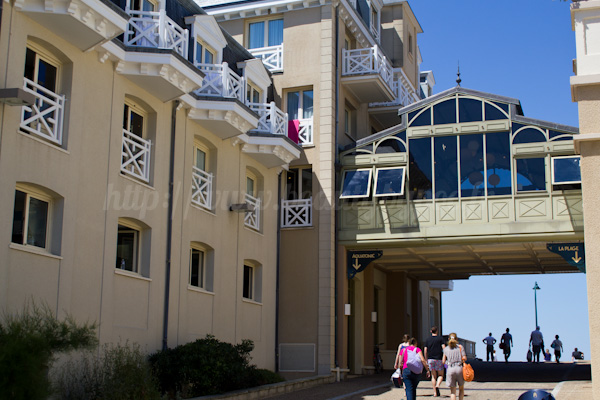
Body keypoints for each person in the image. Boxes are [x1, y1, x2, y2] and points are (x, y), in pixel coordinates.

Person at [442, 332, 467, 400]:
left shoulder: (446, 349)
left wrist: (447, 364)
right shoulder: (460, 347)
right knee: (461, 389)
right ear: (457, 339)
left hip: (450, 368)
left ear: (448, 339)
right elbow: (464, 358)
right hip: (459, 368)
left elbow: (443, 361)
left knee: (453, 391)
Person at [424, 326, 446, 397]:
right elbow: (444, 348)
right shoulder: (440, 339)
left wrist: (426, 359)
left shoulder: (428, 340)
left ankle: (435, 393)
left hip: (430, 359)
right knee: (441, 375)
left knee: (433, 376)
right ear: (437, 331)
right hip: (439, 359)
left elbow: (425, 350)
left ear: (431, 331)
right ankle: (437, 385)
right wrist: (444, 358)